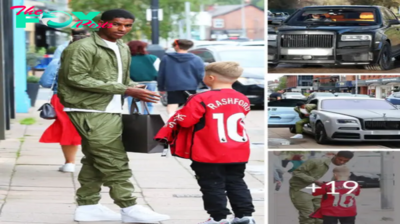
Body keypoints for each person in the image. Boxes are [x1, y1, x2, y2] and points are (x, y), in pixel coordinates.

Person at [57, 9, 169, 223]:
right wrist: (125, 90)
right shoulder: (82, 47)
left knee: (95, 159)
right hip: (88, 109)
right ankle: (129, 207)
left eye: (127, 26)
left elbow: (122, 79)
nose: (122, 29)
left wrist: (137, 89)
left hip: (111, 108)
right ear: (102, 23)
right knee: (113, 158)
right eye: (117, 24)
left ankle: (88, 206)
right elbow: (75, 78)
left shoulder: (121, 48)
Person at [155, 61, 255, 224]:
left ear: (210, 77)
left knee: (212, 184)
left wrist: (178, 114)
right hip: (238, 150)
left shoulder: (201, 98)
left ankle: (218, 218)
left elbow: (186, 121)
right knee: (236, 182)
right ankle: (244, 215)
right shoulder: (242, 98)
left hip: (209, 150)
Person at [39, 35, 89, 173]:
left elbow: (45, 82)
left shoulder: (58, 61)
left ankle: (69, 163)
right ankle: (95, 163)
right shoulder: (99, 61)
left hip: (62, 98)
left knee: (67, 129)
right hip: (92, 99)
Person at [289, 151, 354, 224]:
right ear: (335, 155)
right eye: (340, 159)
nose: (342, 162)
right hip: (302, 189)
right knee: (307, 215)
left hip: (320, 192)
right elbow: (297, 172)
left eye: (346, 161)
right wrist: (315, 181)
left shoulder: (343, 168)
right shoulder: (317, 161)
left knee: (320, 216)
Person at [157, 39, 205, 118]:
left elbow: (161, 74)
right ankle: (187, 122)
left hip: (173, 86)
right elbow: (201, 74)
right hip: (191, 86)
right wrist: (204, 85)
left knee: (172, 105)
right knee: (190, 105)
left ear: (177, 46)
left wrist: (161, 87)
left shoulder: (166, 58)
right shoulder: (197, 59)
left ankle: (172, 120)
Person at [126, 40, 160, 114]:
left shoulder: (126, 59)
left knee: (133, 103)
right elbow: (159, 70)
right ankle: (147, 120)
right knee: (149, 103)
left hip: (132, 84)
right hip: (150, 83)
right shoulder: (153, 58)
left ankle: (135, 120)